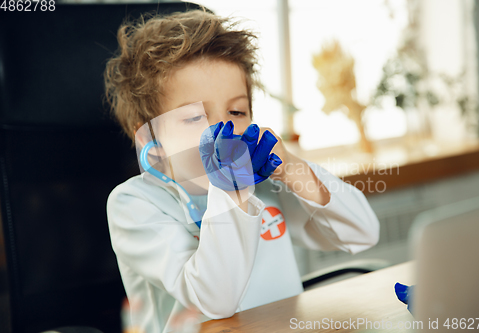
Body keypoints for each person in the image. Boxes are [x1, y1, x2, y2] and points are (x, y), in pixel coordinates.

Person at [104, 8, 380, 333]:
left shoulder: (263, 184)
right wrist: (232, 192)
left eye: (236, 111)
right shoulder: (133, 204)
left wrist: (292, 168)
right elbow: (216, 300)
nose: (222, 129)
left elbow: (362, 233)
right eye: (194, 117)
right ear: (152, 138)